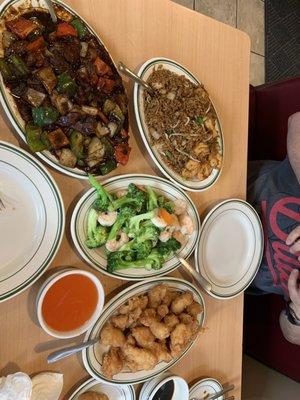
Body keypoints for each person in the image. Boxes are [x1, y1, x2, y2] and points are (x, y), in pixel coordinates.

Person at [247, 111, 300, 345]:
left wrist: (298, 314)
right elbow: (296, 121)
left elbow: (290, 334)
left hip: (216, 273)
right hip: (224, 192)